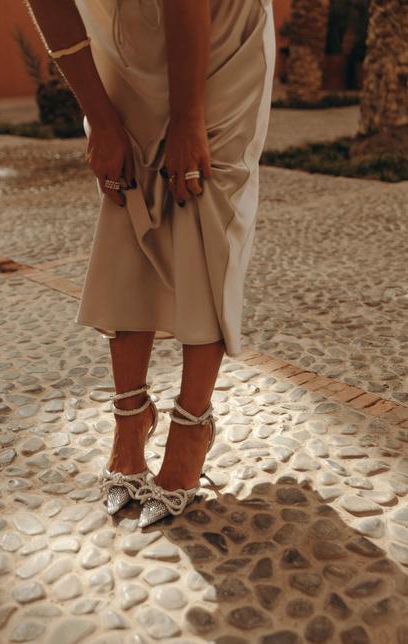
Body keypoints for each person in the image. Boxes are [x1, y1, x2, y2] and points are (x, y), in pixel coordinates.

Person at [24, 0, 275, 528]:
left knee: (204, 197)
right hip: (119, 25)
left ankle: (191, 428)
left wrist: (188, 118)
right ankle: (130, 420)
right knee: (125, 189)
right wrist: (99, 116)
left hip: (218, 25)